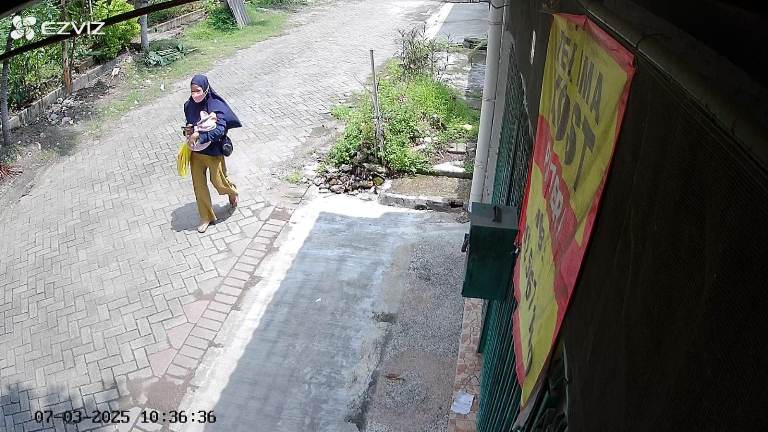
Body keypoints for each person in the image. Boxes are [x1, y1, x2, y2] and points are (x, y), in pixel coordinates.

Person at [183, 74, 241, 233]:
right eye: (192, 91)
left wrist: (200, 135)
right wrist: (189, 130)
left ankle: (232, 191)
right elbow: (190, 124)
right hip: (196, 153)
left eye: (198, 91)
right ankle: (206, 216)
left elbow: (220, 129)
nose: (195, 94)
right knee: (198, 185)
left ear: (206, 89)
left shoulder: (215, 105)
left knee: (218, 182)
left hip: (213, 151)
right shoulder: (189, 105)